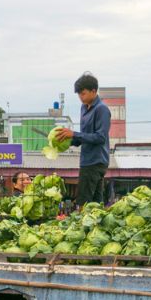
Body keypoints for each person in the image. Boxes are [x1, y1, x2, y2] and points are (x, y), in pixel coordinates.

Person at [56, 73, 111, 207]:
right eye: (79, 94)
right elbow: (84, 137)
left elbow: (100, 137)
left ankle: (82, 226)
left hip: (95, 161)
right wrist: (65, 140)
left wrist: (74, 134)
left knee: (84, 203)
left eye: (83, 93)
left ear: (94, 91)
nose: (81, 97)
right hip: (87, 160)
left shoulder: (101, 109)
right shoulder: (83, 108)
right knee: (96, 203)